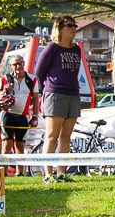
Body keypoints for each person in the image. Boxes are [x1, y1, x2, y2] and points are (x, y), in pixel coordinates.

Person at [31, 15, 86, 180]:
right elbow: (39, 72)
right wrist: (44, 93)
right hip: (55, 93)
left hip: (73, 93)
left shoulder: (77, 49)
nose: (73, 29)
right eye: (69, 26)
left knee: (66, 136)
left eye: (74, 26)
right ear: (59, 29)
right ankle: (48, 173)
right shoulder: (52, 48)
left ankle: (61, 172)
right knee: (52, 135)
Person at [0, 56, 35, 154]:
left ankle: (19, 170)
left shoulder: (32, 79)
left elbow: (35, 98)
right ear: (11, 66)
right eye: (15, 64)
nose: (18, 66)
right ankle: (5, 169)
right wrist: (3, 91)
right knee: (7, 144)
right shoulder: (5, 78)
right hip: (7, 115)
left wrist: (34, 116)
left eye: (20, 63)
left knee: (20, 146)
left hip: (23, 115)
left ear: (24, 63)